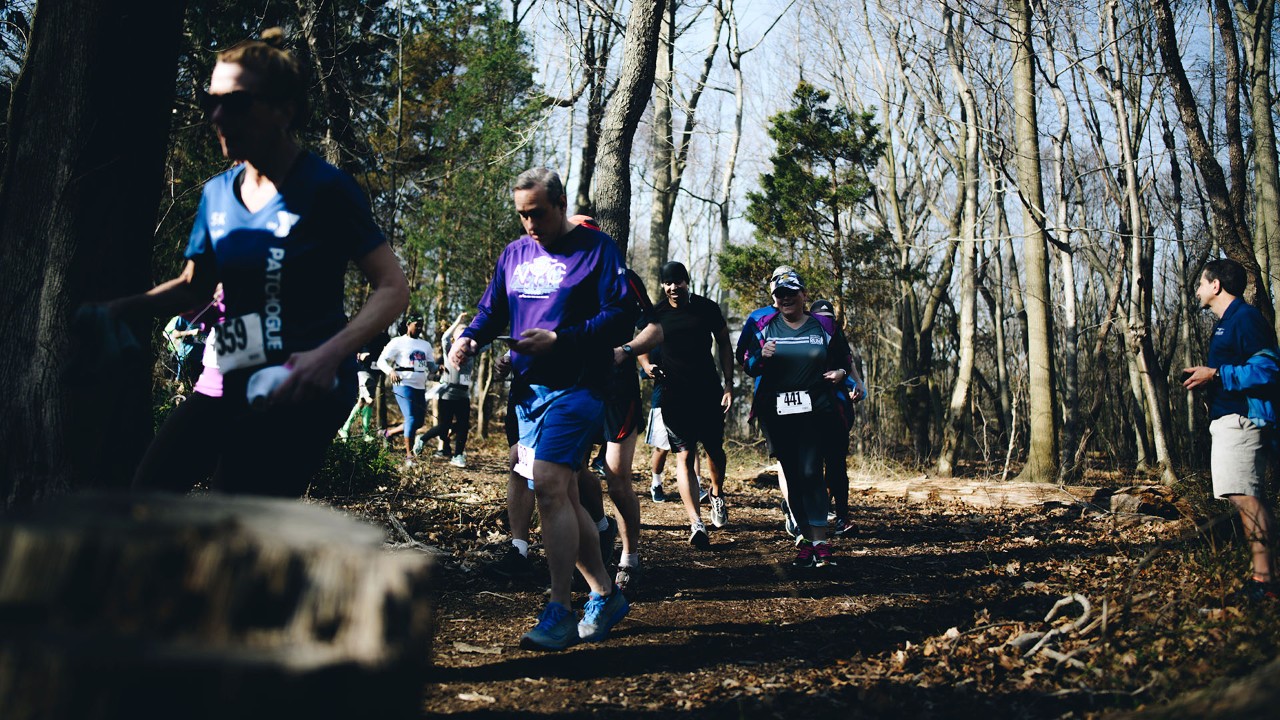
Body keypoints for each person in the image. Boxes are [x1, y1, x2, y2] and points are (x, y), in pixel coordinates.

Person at [111, 29, 408, 496]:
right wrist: (121, 310)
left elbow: (392, 287)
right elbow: (193, 287)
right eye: (210, 101)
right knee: (147, 493)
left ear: (283, 110)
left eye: (235, 102)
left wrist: (329, 355)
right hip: (230, 369)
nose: (217, 116)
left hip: (303, 383)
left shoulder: (326, 190)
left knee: (234, 509)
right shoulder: (216, 194)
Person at [450, 168, 636, 650]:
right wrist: (470, 338)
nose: (530, 224)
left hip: (580, 385)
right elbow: (492, 309)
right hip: (528, 391)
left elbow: (621, 316)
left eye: (537, 214)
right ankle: (605, 593)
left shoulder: (597, 250)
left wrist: (560, 339)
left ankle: (559, 609)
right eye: (522, 215)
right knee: (563, 497)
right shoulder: (514, 254)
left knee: (550, 482)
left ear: (560, 204)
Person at [740, 270, 853, 568]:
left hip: (815, 410)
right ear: (774, 298)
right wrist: (761, 356)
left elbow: (844, 358)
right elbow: (747, 363)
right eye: (780, 294)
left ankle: (821, 541)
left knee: (811, 472)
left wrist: (841, 374)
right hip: (777, 413)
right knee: (792, 477)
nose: (786, 298)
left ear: (804, 294)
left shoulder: (823, 326)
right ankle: (805, 540)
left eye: (792, 293)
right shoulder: (764, 326)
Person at [1183, 258, 1279, 601]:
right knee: (1244, 496)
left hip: (1243, 420)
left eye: (1201, 283)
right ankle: (1264, 580)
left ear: (1216, 285)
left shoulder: (1245, 318)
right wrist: (1210, 377)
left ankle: (1264, 582)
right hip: (1229, 420)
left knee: (1245, 497)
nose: (1197, 290)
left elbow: (1268, 370)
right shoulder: (1228, 322)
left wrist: (1216, 374)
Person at [638, 261, 733, 548]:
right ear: (662, 285)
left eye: (678, 281)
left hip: (708, 392)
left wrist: (729, 384)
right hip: (674, 395)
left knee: (714, 451)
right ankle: (696, 522)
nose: (673, 287)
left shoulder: (706, 308)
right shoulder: (655, 313)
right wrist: (647, 366)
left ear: (687, 281)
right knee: (684, 455)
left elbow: (724, 343)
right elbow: (639, 344)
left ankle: (716, 493)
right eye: (668, 283)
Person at [808, 299, 866, 537]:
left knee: (836, 465)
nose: (825, 323)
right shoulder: (802, 332)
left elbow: (847, 362)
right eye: (820, 318)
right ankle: (808, 515)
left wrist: (854, 382)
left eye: (829, 318)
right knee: (810, 466)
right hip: (807, 409)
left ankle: (842, 517)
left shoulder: (837, 336)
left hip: (836, 410)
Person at [377, 317, 437, 464]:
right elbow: (381, 361)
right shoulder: (398, 341)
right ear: (408, 324)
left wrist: (439, 368)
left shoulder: (425, 345)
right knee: (410, 418)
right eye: (417, 325)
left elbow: (431, 367)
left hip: (420, 386)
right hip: (403, 383)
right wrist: (391, 371)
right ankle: (409, 456)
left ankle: (388, 433)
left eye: (422, 326)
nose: (420, 328)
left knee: (419, 422)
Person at [415, 314, 472, 466]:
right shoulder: (449, 349)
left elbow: (486, 342)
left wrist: (478, 326)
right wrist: (458, 321)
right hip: (447, 394)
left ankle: (458, 456)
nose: (464, 335)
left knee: (463, 426)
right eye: (461, 332)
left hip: (464, 394)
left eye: (466, 332)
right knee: (444, 427)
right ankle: (422, 439)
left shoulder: (472, 351)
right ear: (454, 338)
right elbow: (444, 337)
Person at [338, 330, 389, 440]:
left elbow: (388, 351)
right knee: (369, 399)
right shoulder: (365, 332)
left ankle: (346, 428)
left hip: (376, 371)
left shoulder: (384, 336)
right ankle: (363, 432)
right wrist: (359, 355)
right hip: (364, 370)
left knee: (363, 402)